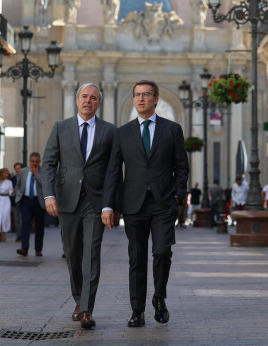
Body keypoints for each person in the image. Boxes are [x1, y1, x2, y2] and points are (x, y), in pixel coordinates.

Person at [102, 80, 189, 328]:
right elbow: (113, 172)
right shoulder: (123, 133)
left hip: (163, 203)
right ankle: (137, 310)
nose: (141, 99)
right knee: (137, 258)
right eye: (137, 95)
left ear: (156, 99)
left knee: (162, 252)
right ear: (133, 100)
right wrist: (109, 204)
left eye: (146, 94)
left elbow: (181, 166)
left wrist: (178, 195)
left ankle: (159, 298)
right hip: (134, 205)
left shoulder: (172, 130)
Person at [42, 82, 118, 329]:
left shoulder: (109, 131)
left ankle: (86, 309)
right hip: (66, 200)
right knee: (73, 255)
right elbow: (49, 163)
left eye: (93, 98)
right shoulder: (61, 127)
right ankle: (78, 299)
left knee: (91, 255)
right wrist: (48, 195)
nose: (88, 101)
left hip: (94, 203)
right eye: (84, 97)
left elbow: (113, 171)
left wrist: (109, 205)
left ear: (99, 103)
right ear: (77, 100)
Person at [15, 153, 45, 257]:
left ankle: (38, 249)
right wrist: (18, 195)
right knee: (25, 224)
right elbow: (18, 185)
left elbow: (45, 184)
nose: (34, 163)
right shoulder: (23, 172)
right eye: (33, 161)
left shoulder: (43, 171)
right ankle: (24, 248)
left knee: (39, 226)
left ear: (39, 162)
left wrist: (36, 174)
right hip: (26, 201)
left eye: (37, 161)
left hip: (39, 201)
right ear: (29, 161)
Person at [11, 162, 24, 241]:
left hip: (23, 201)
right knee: (16, 220)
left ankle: (23, 235)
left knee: (22, 219)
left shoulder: (25, 178)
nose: (17, 170)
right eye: (16, 168)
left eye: (18, 168)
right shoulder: (12, 179)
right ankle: (18, 235)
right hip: (15, 202)